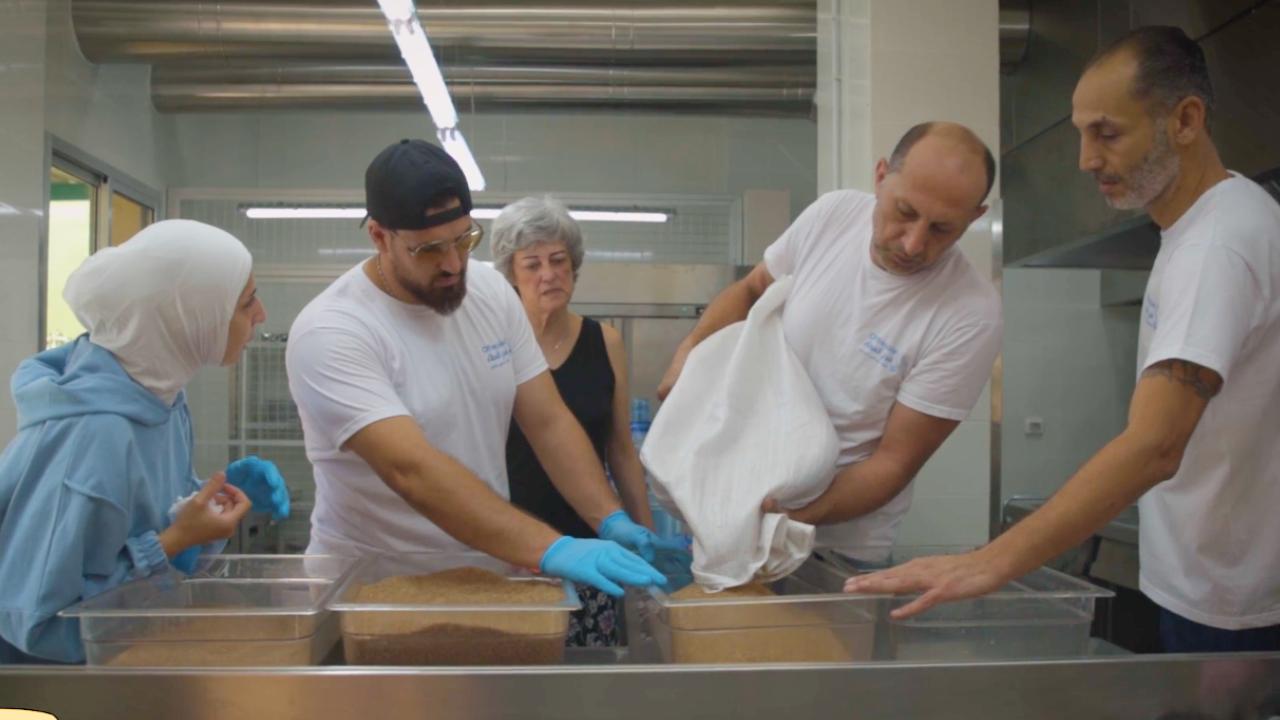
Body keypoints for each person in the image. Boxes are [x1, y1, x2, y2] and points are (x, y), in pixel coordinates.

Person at [847, 27, 1280, 653]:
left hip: (1229, 605)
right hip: (1210, 584)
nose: (1085, 160)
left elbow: (1156, 445)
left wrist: (990, 563)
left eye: (1107, 132)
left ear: (1185, 120)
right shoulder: (1212, 226)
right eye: (1081, 133)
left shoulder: (1218, 244)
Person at [286, 139, 667, 597]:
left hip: (483, 578)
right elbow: (413, 470)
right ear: (379, 237)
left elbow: (547, 422)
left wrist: (609, 517)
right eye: (428, 250)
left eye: (465, 240)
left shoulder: (487, 291)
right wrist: (552, 548)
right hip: (373, 589)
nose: (452, 264)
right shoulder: (334, 330)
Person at [657, 122, 1002, 562]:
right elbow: (750, 290)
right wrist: (689, 355)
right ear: (880, 176)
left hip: (838, 548)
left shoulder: (970, 313)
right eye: (904, 212)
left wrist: (786, 516)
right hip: (740, 493)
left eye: (942, 230)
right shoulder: (834, 216)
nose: (914, 244)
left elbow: (892, 464)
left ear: (975, 218)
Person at [0, 219, 290, 663]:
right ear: (188, 314)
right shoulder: (95, 432)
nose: (261, 314)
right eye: (246, 301)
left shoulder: (161, 398)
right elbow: (37, 623)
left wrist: (204, 502)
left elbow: (129, 531)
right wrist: (175, 540)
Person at [493, 195, 665, 646]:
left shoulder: (603, 342)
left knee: (589, 685)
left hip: (593, 542)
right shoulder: (494, 345)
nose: (548, 274)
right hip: (511, 546)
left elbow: (620, 448)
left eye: (559, 261)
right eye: (532, 264)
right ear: (511, 274)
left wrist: (642, 533)